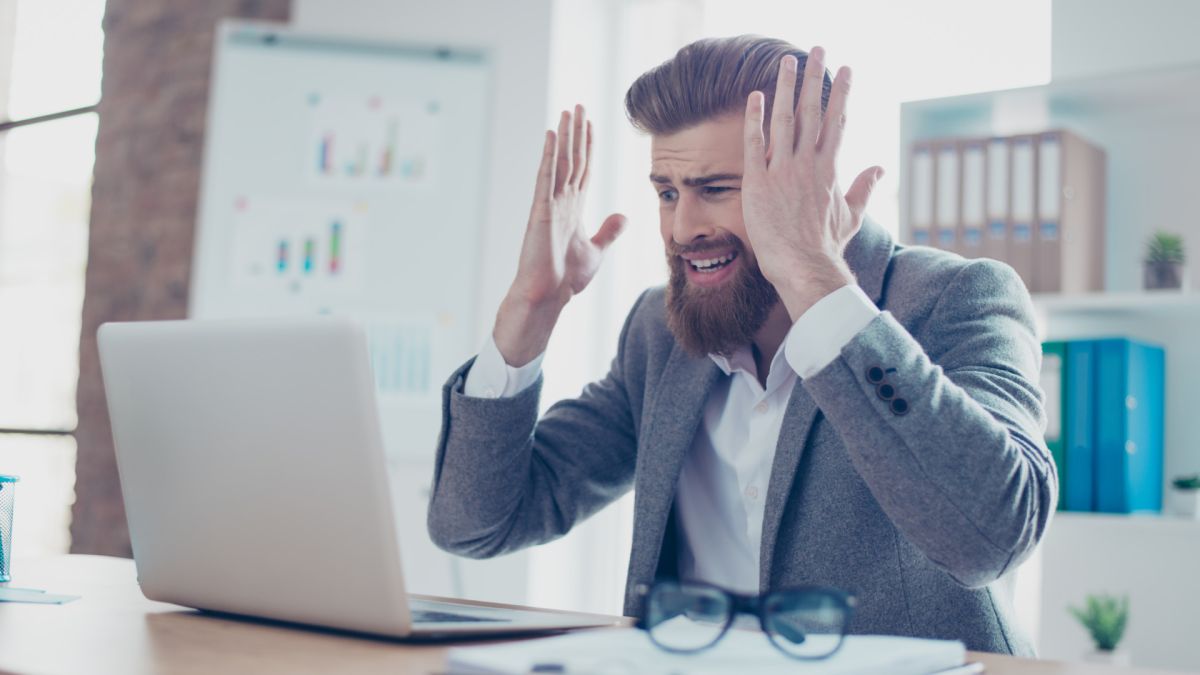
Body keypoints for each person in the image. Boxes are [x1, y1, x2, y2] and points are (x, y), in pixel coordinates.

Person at [427, 35, 1054, 655]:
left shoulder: (958, 297)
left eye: (717, 189)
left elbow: (992, 537)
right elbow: (476, 523)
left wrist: (816, 281)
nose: (682, 228)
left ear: (810, 180)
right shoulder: (661, 331)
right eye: (667, 192)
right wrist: (530, 309)